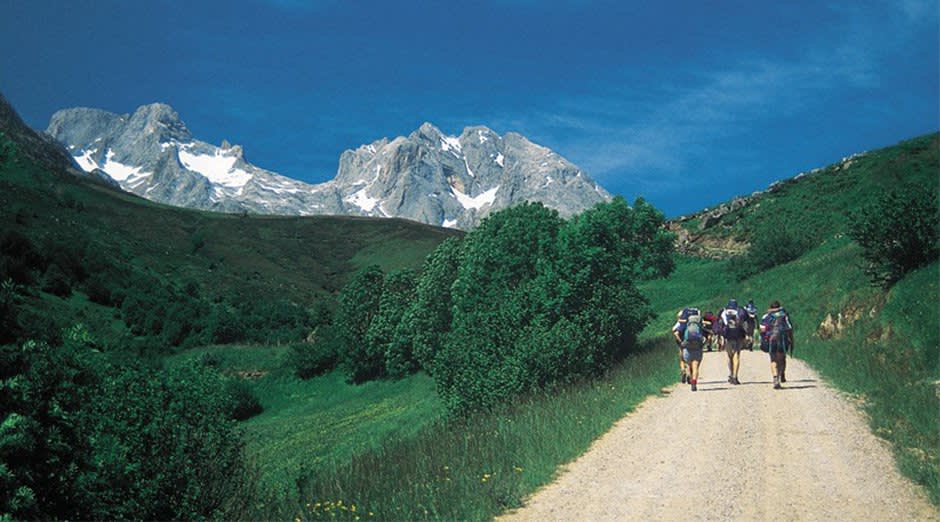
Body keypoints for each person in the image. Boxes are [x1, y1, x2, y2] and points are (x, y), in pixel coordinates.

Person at [760, 300, 794, 389]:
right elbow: (789, 328)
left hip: (772, 340)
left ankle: (775, 379)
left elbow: (762, 329)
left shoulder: (766, 316)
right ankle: (780, 375)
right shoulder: (784, 315)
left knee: (773, 359)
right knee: (781, 359)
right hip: (782, 340)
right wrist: (791, 340)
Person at [672, 306, 705, 391]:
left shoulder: (685, 323)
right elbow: (705, 335)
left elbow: (675, 332)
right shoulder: (699, 322)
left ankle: (687, 374)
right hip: (697, 346)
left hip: (687, 346)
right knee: (696, 366)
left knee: (688, 364)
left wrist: (681, 343)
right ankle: (694, 381)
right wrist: (703, 344)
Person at [719, 299, 747, 385]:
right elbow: (744, 323)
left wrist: (721, 337)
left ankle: (730, 374)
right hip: (738, 335)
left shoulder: (724, 312)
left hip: (727, 336)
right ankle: (735, 376)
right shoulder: (740, 311)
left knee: (729, 356)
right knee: (736, 356)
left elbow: (721, 325)